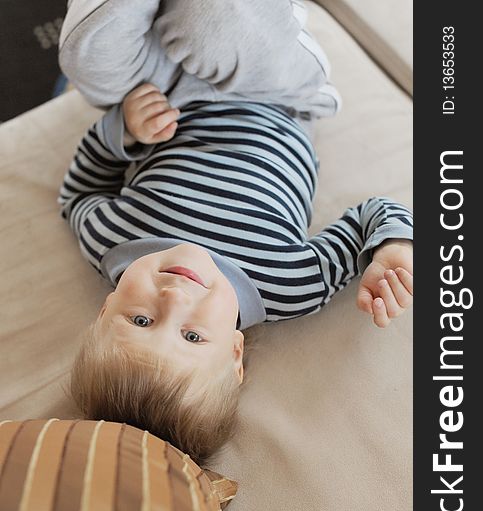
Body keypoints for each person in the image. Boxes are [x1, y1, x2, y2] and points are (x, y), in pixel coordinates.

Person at [58, 0, 413, 464]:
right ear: (235, 352)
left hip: (159, 91)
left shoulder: (114, 243)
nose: (175, 298)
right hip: (272, 93)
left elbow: (78, 193)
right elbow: (373, 214)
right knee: (209, 21)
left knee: (89, 56)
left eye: (140, 321)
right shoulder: (288, 285)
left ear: (106, 309)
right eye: (191, 337)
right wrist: (393, 248)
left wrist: (122, 130)